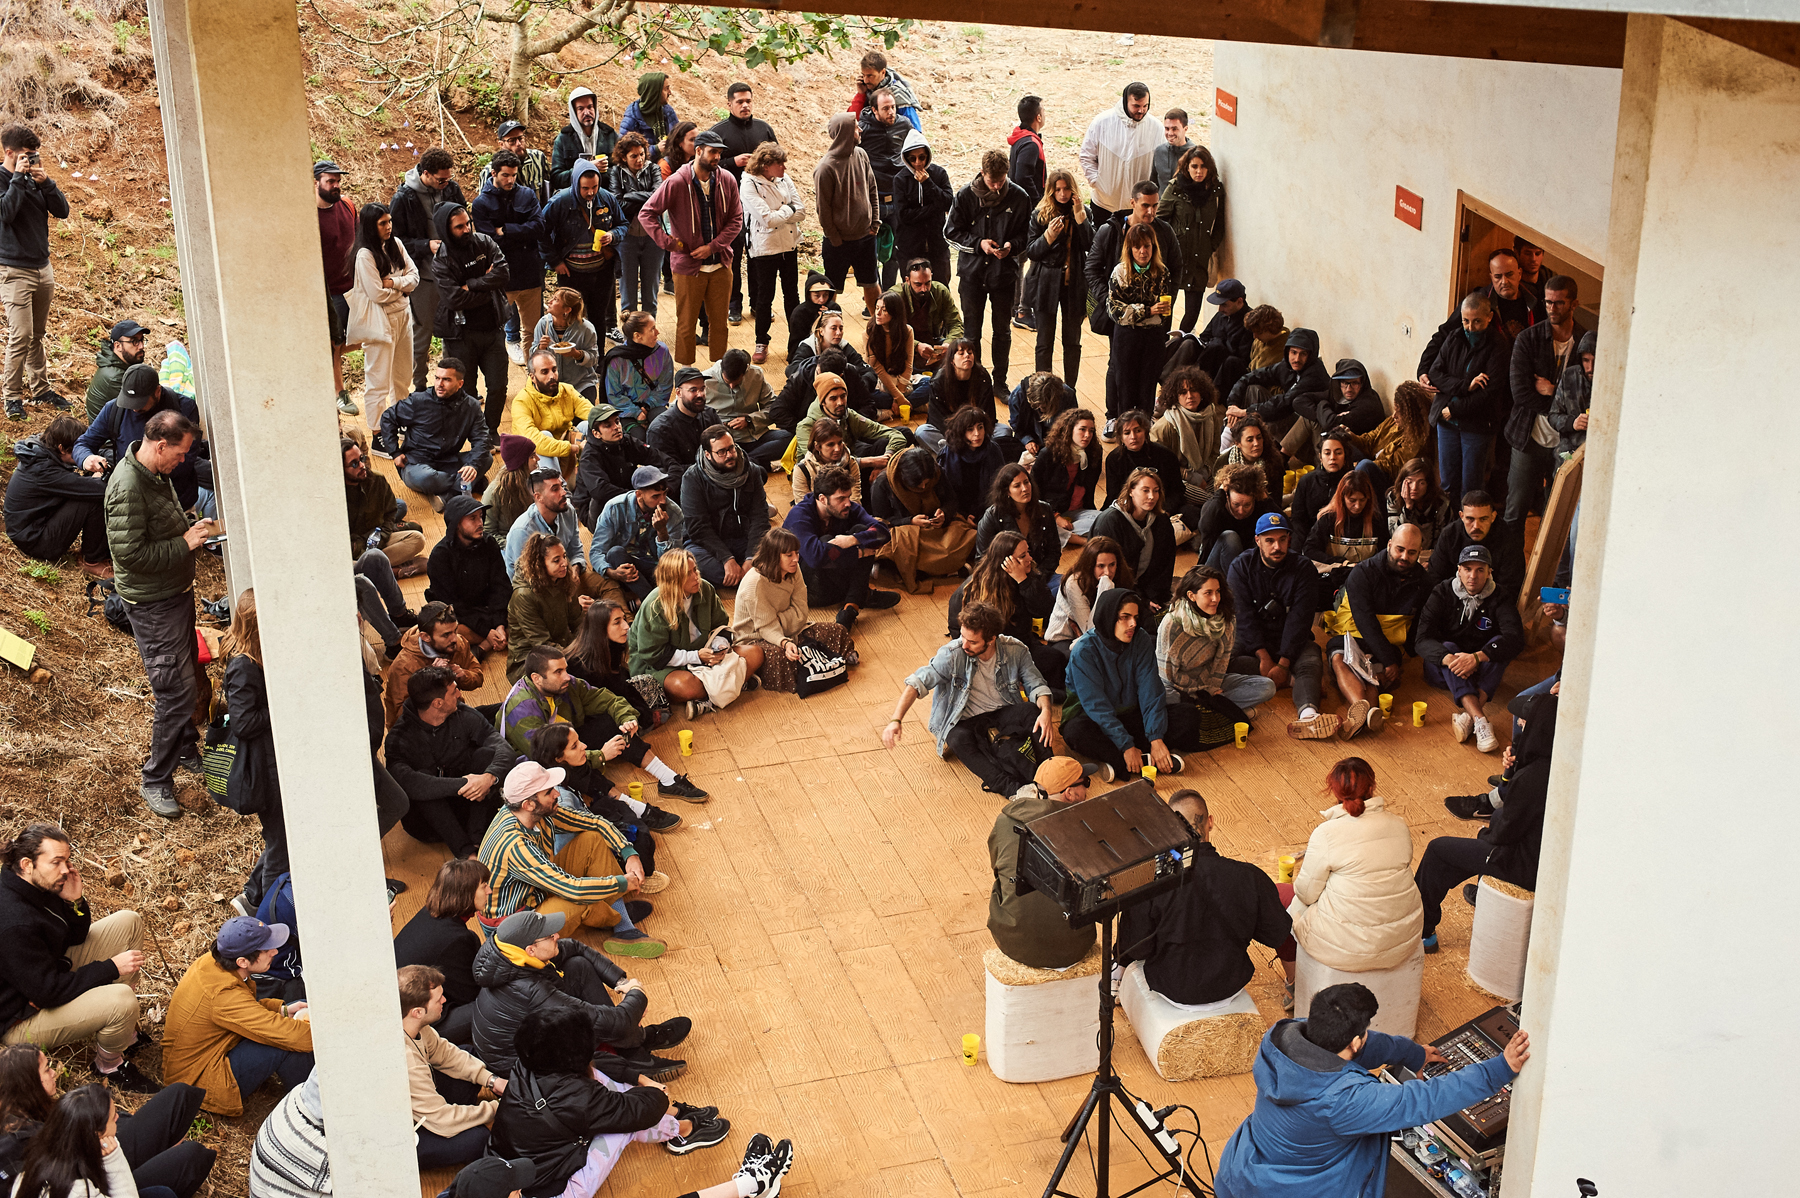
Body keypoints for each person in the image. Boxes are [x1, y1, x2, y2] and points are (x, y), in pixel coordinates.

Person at [1213, 982, 1528, 1198]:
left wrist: (1411, 1054)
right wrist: (1500, 1068)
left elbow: (1360, 1045)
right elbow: (1424, 1099)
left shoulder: (1283, 1036)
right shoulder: (1344, 1100)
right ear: (1354, 1041)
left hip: (1241, 1173)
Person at [104, 411, 213, 817]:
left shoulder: (153, 473)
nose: (183, 461)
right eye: (180, 453)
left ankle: (185, 747)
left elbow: (157, 527)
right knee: (175, 691)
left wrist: (192, 528)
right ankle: (156, 779)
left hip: (173, 594)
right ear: (161, 445)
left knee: (186, 675)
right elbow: (130, 555)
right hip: (153, 605)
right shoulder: (127, 487)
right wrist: (184, 544)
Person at [489, 1006, 723, 1195]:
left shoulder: (526, 1064)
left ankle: (673, 1115)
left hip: (512, 1165)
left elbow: (595, 1062)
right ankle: (681, 1131)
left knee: (603, 1084)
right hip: (550, 1191)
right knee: (624, 1126)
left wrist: (639, 1078)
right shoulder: (580, 1099)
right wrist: (656, 1092)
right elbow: (640, 1112)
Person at [0, 825, 152, 1090]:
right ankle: (109, 1065)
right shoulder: (14, 922)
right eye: (56, 862)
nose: (65, 870)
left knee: (128, 922)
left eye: (67, 860)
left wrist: (74, 903)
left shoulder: (36, 885)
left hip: (44, 978)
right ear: (26, 864)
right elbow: (48, 992)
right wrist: (110, 968)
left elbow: (75, 937)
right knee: (122, 999)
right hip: (19, 1017)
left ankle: (120, 1029)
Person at [1117, 788, 1289, 1006]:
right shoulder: (1250, 876)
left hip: (1172, 988)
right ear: (1211, 822)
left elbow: (1136, 948)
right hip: (1229, 986)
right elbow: (1277, 934)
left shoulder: (1153, 883)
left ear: (1170, 829)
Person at [471, 909, 686, 1083]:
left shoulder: (511, 957)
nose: (557, 936)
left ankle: (632, 1044)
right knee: (606, 1027)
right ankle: (634, 1053)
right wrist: (636, 994)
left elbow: (575, 947)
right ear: (531, 950)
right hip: (522, 1065)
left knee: (578, 966)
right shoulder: (530, 989)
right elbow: (613, 1021)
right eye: (549, 935)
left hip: (530, 1037)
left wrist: (621, 983)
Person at [1416, 693, 1557, 950]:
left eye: (1525, 721)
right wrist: (1515, 768)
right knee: (1489, 828)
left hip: (1524, 864)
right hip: (1542, 856)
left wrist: (1486, 836)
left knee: (1438, 851)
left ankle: (1422, 934)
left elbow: (1506, 831)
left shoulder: (1532, 778)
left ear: (1539, 728)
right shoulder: (1555, 765)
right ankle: (1482, 889)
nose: (1519, 724)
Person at [500, 645, 700, 823]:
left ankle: (667, 778)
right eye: (558, 672)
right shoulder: (521, 710)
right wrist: (601, 756)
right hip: (536, 764)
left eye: (565, 669)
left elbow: (609, 700)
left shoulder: (566, 685)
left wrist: (627, 719)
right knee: (569, 765)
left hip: (564, 743)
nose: (567, 676)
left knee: (611, 723)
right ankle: (635, 808)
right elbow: (547, 757)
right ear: (536, 678)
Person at [882, 600, 1054, 796]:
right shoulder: (952, 654)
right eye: (963, 637)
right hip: (965, 719)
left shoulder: (1015, 650)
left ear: (991, 639)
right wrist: (896, 720)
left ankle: (1051, 772)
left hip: (1002, 711)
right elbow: (917, 682)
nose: (964, 644)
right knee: (957, 738)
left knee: (1032, 711)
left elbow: (1036, 684)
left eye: (972, 642)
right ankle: (1013, 790)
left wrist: (1046, 711)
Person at [1283, 756, 1423, 992]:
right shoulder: (1399, 825)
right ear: (1372, 787)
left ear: (1333, 791)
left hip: (1344, 949)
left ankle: (1295, 985)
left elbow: (1306, 894)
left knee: (1280, 897)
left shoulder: (1326, 834)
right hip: (1402, 941)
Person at [0, 1044, 212, 1197]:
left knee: (180, 1095)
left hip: (98, 1158)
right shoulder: (25, 1148)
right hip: (102, 1175)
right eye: (47, 1069)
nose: (55, 1072)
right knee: (190, 1159)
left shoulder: (29, 1115)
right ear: (29, 1083)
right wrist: (112, 1155)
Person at [476, 761, 645, 943]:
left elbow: (594, 823)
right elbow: (573, 890)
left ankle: (614, 911)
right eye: (549, 791)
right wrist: (621, 883)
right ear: (528, 804)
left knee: (592, 840)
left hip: (535, 892)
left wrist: (629, 853)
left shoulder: (529, 811)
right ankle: (620, 923)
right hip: (514, 928)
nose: (557, 793)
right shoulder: (515, 845)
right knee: (578, 901)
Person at [163, 917, 313, 1117]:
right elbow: (292, 1036)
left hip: (213, 1050)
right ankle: (312, 1107)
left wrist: (282, 1010)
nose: (275, 952)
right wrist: (335, 1032)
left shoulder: (215, 962)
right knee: (289, 1041)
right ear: (242, 961)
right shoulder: (223, 993)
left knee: (298, 1012)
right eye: (267, 949)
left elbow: (243, 1009)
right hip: (197, 1082)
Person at [1065, 586, 1195, 779]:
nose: (1133, 623)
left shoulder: (1140, 639)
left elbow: (1151, 691)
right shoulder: (1084, 651)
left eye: (1135, 617)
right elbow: (1096, 706)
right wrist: (1126, 744)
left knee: (1188, 715)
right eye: (1124, 617)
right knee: (1076, 732)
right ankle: (1139, 759)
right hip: (1094, 719)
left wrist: (1156, 738)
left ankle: (1124, 762)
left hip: (1132, 714)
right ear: (1109, 617)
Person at [640, 129, 743, 366]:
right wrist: (668, 242)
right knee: (686, 324)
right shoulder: (677, 181)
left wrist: (713, 247)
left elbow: (736, 219)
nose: (717, 157)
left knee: (720, 324)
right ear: (698, 151)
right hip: (687, 267)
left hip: (720, 264)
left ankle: (720, 372)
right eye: (712, 152)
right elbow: (647, 213)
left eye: (719, 153)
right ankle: (686, 372)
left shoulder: (727, 179)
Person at [1228, 512, 1334, 739]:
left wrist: (1284, 663)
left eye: (1282, 539)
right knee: (1225, 660)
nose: (1277, 546)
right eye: (1270, 541)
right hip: (1252, 642)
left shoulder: (1304, 568)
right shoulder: (1240, 566)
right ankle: (1291, 681)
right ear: (1257, 541)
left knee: (1311, 659)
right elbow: (1243, 617)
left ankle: (1309, 716)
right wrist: (1264, 657)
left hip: (1291, 638)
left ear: (1289, 539)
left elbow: (1300, 619)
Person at [387, 667, 511, 862]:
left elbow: (502, 748)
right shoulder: (399, 738)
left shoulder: (464, 715)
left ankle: (477, 840)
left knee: (486, 755)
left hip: (467, 807)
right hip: (428, 823)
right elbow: (409, 783)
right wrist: (466, 784)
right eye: (454, 691)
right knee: (424, 786)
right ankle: (467, 855)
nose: (459, 694)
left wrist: (488, 778)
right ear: (437, 703)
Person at [1085, 182, 1181, 435]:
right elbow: (1092, 269)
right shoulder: (1110, 230)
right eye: (1145, 205)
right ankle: (1114, 417)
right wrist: (1110, 300)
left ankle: (1142, 424)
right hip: (1121, 322)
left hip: (1154, 326)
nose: (1151, 211)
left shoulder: (1164, 232)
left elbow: (1176, 268)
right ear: (1133, 203)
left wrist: (1166, 302)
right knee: (1118, 370)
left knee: (1148, 375)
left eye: (1155, 205)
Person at [987, 758, 1099, 968]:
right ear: (1069, 793)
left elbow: (997, 866)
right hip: (1073, 946)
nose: (1087, 789)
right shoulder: (1085, 830)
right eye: (1086, 783)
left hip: (1013, 941)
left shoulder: (1005, 821)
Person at [627, 549, 766, 717]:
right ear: (673, 579)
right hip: (665, 665)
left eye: (695, 570)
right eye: (688, 574)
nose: (696, 577)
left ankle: (708, 699)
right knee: (684, 686)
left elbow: (720, 624)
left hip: (705, 655)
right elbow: (655, 656)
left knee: (755, 653)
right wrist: (697, 657)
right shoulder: (655, 605)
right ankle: (731, 685)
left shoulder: (705, 588)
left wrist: (719, 647)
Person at [1322, 523, 1428, 739]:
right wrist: (1389, 659)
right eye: (1399, 549)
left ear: (1419, 552)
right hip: (1354, 634)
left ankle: (1359, 718)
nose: (1404, 557)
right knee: (1339, 659)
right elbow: (1365, 621)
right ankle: (1366, 711)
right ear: (1389, 545)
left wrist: (1401, 658)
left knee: (1376, 676)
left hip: (1390, 642)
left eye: (1411, 552)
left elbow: (1419, 622)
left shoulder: (1424, 582)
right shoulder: (1363, 572)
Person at [1417, 544, 1524, 753]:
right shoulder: (1441, 592)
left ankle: (1470, 717)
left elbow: (1515, 638)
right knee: (1448, 647)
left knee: (1499, 646)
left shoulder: (1501, 595)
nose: (1473, 576)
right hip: (1443, 670)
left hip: (1479, 668)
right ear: (1458, 570)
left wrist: (1478, 657)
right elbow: (1421, 639)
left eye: (1480, 570)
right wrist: (1450, 659)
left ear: (1489, 572)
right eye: (1467, 569)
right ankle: (1480, 718)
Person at [395, 965, 503, 1168]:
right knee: (478, 1138)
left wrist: (492, 1080)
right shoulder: (406, 1060)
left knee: (468, 1056)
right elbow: (442, 1121)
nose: (444, 1000)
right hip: (399, 1133)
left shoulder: (413, 1025)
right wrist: (498, 1108)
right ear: (417, 1012)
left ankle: (461, 1112)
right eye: (438, 999)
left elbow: (444, 1053)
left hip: (419, 1102)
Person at [728, 528, 859, 694]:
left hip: (791, 629)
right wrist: (785, 642)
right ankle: (811, 666)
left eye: (796, 553)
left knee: (836, 629)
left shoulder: (794, 570)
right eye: (789, 555)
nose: (796, 559)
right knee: (779, 657)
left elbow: (802, 612)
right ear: (774, 556)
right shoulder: (755, 583)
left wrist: (780, 620)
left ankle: (826, 661)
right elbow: (766, 627)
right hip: (757, 637)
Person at [945, 150, 1032, 396]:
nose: (997, 187)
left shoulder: (1020, 197)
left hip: (1003, 275)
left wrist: (1012, 246)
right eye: (992, 181)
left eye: (1002, 181)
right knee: (971, 333)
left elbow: (1028, 235)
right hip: (972, 275)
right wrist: (978, 244)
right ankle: (975, 382)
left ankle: (999, 383)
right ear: (982, 173)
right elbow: (950, 233)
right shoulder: (964, 196)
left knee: (1002, 332)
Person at [1, 125, 74, 419]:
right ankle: (12, 398)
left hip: (43, 268)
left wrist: (47, 184)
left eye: (34, 155)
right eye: (26, 155)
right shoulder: (5, 179)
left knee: (37, 335)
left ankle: (41, 390)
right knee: (21, 335)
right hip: (14, 271)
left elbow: (62, 211)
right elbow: (6, 213)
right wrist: (18, 178)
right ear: (9, 153)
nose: (31, 160)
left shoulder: (34, 180)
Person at [1503, 275, 1581, 533]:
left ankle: (1549, 560)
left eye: (1558, 303)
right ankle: (1511, 560)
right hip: (1529, 435)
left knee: (1559, 510)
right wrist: (1563, 407)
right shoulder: (1529, 338)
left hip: (1567, 441)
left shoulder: (1585, 342)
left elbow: (1589, 398)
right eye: (1548, 302)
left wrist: (1552, 390)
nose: (1551, 308)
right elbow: (1520, 393)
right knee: (1515, 509)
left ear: (1574, 304)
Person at [76, 364, 209, 512]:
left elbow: (186, 461)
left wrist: (139, 472)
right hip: (133, 503)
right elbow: (82, 443)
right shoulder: (114, 410)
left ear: (157, 391)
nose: (134, 408)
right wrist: (86, 458)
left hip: (177, 503)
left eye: (140, 402)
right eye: (129, 401)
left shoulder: (184, 408)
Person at [1159, 565, 1278, 726]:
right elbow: (1168, 675)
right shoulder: (1172, 624)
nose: (1215, 598)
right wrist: (1200, 691)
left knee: (1267, 686)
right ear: (1191, 596)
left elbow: (1222, 661)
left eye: (1218, 591)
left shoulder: (1226, 619)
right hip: (1177, 686)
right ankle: (1223, 710)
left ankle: (1211, 710)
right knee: (1164, 696)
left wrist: (1211, 688)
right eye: (1208, 593)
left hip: (1208, 681)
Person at [7, 1084, 175, 1198]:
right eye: (113, 1118)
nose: (118, 1118)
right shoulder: (77, 1191)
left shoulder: (39, 1158)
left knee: (161, 1193)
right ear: (95, 1134)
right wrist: (114, 1158)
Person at [393, 858, 492, 1044]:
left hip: (402, 1004)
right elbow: (470, 995)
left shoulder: (429, 912)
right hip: (418, 1024)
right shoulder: (456, 939)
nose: (489, 891)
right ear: (466, 893)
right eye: (484, 886)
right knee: (497, 1005)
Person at [391, 148, 466, 392]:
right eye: (441, 180)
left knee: (454, 332)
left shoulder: (451, 188)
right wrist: (427, 246)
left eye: (448, 179)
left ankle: (450, 386)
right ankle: (420, 388)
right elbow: (396, 242)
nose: (446, 184)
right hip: (424, 277)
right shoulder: (404, 198)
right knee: (422, 334)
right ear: (425, 174)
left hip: (453, 275)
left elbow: (464, 220)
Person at [432, 202, 511, 432]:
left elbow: (503, 273)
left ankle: (491, 430)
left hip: (493, 329)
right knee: (465, 391)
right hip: (461, 335)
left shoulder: (484, 241)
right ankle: (472, 433)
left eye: (468, 223)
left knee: (498, 386)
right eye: (459, 227)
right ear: (447, 230)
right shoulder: (441, 260)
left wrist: (471, 285)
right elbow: (454, 299)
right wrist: (488, 287)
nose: (467, 229)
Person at [1427, 297, 1512, 513]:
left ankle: (1468, 524)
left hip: (1476, 424)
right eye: (1466, 321)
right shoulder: (1455, 336)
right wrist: (1466, 385)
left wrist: (1454, 409)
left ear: (1489, 317)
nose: (1470, 327)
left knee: (1471, 485)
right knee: (1447, 482)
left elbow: (1489, 394)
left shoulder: (1499, 346)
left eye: (1477, 321)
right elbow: (1436, 373)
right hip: (1447, 423)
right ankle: (1449, 523)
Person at [784, 465, 900, 621]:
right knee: (826, 542)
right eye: (840, 499)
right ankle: (859, 596)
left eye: (848, 497)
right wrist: (858, 552)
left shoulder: (847, 509)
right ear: (822, 499)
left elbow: (883, 532)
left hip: (833, 582)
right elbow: (815, 557)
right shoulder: (799, 515)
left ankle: (851, 606)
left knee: (861, 532)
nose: (847, 503)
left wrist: (854, 539)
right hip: (807, 589)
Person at [542, 161, 627, 364]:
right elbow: (541, 233)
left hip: (602, 271)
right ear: (575, 184)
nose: (590, 193)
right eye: (585, 188)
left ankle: (597, 360)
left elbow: (623, 224)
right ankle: (570, 361)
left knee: (599, 317)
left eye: (594, 187)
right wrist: (555, 261)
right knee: (571, 318)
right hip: (571, 273)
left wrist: (613, 235)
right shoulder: (559, 202)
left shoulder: (606, 198)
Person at [4, 416, 111, 578]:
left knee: (90, 488)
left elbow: (95, 450)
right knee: (92, 499)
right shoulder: (43, 470)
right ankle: (92, 561)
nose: (81, 454)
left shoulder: (43, 449)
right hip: (35, 541)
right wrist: (97, 479)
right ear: (62, 448)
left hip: (36, 524)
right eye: (78, 450)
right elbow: (100, 490)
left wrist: (101, 457)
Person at [711, 83, 780, 328]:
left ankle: (759, 303)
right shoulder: (719, 132)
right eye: (739, 101)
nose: (745, 105)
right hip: (730, 204)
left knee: (758, 254)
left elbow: (779, 161)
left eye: (748, 100)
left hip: (761, 205)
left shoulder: (764, 129)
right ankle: (733, 304)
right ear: (729, 104)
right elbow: (708, 165)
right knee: (733, 254)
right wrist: (733, 162)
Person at [471, 149, 547, 370]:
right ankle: (497, 377)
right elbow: (490, 242)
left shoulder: (527, 194)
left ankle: (535, 375)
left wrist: (505, 230)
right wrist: (522, 232)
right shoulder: (481, 204)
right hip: (502, 277)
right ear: (493, 173)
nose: (510, 180)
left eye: (514, 175)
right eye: (505, 175)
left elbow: (539, 227)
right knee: (494, 331)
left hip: (530, 272)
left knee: (533, 331)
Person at [381, 358, 491, 507]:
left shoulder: (471, 406)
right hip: (417, 464)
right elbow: (388, 417)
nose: (439, 384)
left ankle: (448, 495)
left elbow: (482, 438)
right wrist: (394, 452)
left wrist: (473, 465)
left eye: (446, 380)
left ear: (460, 384)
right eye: (437, 378)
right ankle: (468, 484)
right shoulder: (418, 401)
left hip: (450, 461)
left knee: (486, 458)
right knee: (427, 478)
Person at [348, 201, 419, 432]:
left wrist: (394, 283)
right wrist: (402, 289)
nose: (388, 227)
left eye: (389, 221)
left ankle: (400, 424)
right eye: (382, 223)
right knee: (378, 381)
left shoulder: (396, 244)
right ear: (371, 226)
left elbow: (415, 277)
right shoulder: (365, 256)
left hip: (404, 316)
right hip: (381, 321)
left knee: (402, 377)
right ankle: (378, 430)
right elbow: (377, 294)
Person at [865, 448, 974, 594]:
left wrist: (944, 513)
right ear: (903, 477)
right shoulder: (883, 482)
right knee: (895, 546)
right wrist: (910, 521)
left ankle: (925, 570)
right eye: (917, 485)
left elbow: (952, 500)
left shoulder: (937, 473)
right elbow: (882, 520)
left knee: (968, 534)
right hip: (906, 532)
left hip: (936, 529)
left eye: (926, 483)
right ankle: (948, 568)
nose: (923, 487)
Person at [1019, 168, 1092, 384]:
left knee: (1072, 341)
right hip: (1046, 284)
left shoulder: (1083, 211)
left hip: (1074, 284)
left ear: (1073, 189)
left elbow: (1092, 245)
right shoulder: (1040, 214)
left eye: (1066, 189)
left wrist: (1081, 219)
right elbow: (1032, 251)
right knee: (1044, 341)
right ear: (1051, 191)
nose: (1062, 194)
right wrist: (1048, 237)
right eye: (1058, 189)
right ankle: (1043, 389)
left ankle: (1070, 388)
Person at [680, 425, 770, 590]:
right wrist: (727, 558)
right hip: (707, 544)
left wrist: (751, 557)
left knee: (781, 552)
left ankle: (745, 576)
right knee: (691, 562)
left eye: (731, 448)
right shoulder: (692, 478)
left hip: (743, 538)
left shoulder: (752, 471)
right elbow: (698, 527)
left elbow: (760, 518)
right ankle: (752, 578)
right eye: (721, 452)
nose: (729, 455)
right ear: (708, 454)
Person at [812, 113, 882, 324]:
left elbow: (872, 188)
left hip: (866, 237)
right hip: (839, 243)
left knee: (872, 283)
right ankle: (827, 329)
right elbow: (823, 209)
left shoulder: (861, 154)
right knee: (831, 290)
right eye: (856, 127)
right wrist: (835, 238)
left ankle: (879, 327)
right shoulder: (825, 168)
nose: (860, 130)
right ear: (844, 133)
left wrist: (875, 223)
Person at [739, 143, 804, 364]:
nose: (784, 167)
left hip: (788, 244)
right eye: (780, 163)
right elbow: (767, 219)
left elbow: (801, 211)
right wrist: (788, 209)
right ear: (766, 165)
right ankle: (761, 342)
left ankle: (797, 342)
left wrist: (781, 213)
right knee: (764, 297)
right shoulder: (748, 184)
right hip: (764, 248)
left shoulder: (784, 179)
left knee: (792, 295)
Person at [425, 494, 512, 656]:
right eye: (473, 518)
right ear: (457, 523)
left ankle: (486, 643)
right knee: (446, 631)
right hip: (461, 614)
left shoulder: (489, 543)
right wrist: (486, 631)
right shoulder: (440, 556)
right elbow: (451, 603)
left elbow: (500, 585)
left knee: (521, 615)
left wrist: (499, 624)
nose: (480, 523)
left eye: (480, 516)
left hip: (487, 608)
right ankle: (488, 644)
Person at [569, 402, 676, 533]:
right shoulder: (589, 457)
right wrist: (638, 496)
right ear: (596, 433)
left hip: (630, 496)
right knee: (598, 498)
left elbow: (664, 460)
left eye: (617, 421)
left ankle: (657, 525)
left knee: (659, 477)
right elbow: (601, 492)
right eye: (608, 425)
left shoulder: (626, 441)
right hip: (596, 511)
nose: (616, 427)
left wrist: (669, 487)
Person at [564, 600, 672, 729]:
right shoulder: (579, 664)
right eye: (617, 622)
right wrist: (640, 713)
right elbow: (599, 701)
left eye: (624, 619)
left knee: (648, 682)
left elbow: (620, 685)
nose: (626, 626)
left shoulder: (614, 646)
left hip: (614, 699)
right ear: (600, 628)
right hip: (595, 714)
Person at [1106, 224, 1176, 418]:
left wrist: (1158, 312)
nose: (1143, 251)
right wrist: (1148, 310)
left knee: (1148, 389)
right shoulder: (1120, 272)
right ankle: (1124, 430)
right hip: (1126, 337)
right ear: (1130, 249)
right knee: (1125, 390)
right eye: (1137, 247)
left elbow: (1163, 309)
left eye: (1147, 246)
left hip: (1153, 336)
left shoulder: (1162, 272)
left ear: (1154, 247)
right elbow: (1114, 310)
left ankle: (1145, 430)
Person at [507, 533, 597, 682]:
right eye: (556, 560)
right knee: (584, 674)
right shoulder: (524, 596)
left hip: (563, 646)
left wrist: (588, 645)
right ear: (540, 565)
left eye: (564, 556)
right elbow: (541, 643)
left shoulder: (564, 580)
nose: (564, 563)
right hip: (531, 659)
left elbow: (578, 621)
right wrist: (578, 654)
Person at [590, 465, 685, 604]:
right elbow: (596, 552)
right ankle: (653, 602)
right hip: (621, 565)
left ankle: (641, 602)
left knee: (680, 572)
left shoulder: (673, 513)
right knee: (615, 553)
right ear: (639, 494)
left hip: (651, 565)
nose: (663, 501)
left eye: (665, 494)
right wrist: (612, 573)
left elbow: (672, 562)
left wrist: (662, 533)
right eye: (656, 496)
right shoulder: (614, 508)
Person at [792, 367, 906, 483]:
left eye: (843, 396)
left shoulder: (848, 415)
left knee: (902, 434)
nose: (840, 402)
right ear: (823, 402)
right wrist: (870, 462)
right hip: (824, 481)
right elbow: (823, 466)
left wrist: (885, 460)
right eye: (833, 398)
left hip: (852, 466)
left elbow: (895, 435)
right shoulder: (806, 426)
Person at [1156, 145, 1223, 334]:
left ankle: (1180, 343)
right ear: (1187, 167)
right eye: (1194, 166)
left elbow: (1220, 223)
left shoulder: (1216, 190)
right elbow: (1160, 221)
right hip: (1174, 258)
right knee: (1165, 310)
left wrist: (1210, 246)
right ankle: (1162, 345)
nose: (1199, 171)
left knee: (1192, 313)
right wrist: (1166, 249)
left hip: (1199, 259)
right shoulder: (1175, 187)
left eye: (1203, 166)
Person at [382, 600, 483, 725]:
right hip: (421, 731)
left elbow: (478, 676)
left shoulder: (457, 644)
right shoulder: (404, 666)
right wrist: (430, 680)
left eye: (455, 630)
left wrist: (464, 676)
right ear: (425, 637)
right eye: (446, 635)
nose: (454, 638)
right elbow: (403, 715)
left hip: (453, 713)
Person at [1091, 467, 1177, 612]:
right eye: (1145, 490)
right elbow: (1107, 572)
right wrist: (1140, 600)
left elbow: (1165, 565)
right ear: (1131, 491)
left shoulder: (1161, 520)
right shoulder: (1110, 522)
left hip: (1148, 591)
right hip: (1114, 592)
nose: (1152, 496)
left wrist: (1154, 597)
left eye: (1156, 491)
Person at [1224, 328, 1330, 442]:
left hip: (1308, 428)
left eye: (1303, 354)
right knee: (1253, 389)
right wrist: (1233, 405)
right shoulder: (1286, 366)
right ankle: (1236, 437)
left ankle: (1245, 439)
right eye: (1294, 352)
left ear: (1311, 355)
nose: (1297, 359)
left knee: (1270, 413)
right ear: (1287, 351)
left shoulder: (1315, 374)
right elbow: (1250, 377)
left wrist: (1245, 412)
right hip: (1287, 416)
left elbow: (1285, 403)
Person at [1151, 367, 1223, 533]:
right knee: (1217, 500)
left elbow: (1215, 452)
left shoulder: (1211, 415)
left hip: (1205, 473)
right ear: (1175, 396)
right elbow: (1161, 468)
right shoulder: (1165, 427)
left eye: (1194, 390)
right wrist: (1192, 477)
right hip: (1176, 481)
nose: (1190, 396)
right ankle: (1219, 506)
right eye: (1183, 392)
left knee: (1226, 485)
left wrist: (1206, 472)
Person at [1078, 83, 1160, 224]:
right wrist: (1097, 182)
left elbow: (1161, 164)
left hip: (1137, 209)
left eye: (1145, 106)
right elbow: (1086, 155)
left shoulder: (1156, 128)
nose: (1141, 110)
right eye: (1136, 106)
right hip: (1104, 204)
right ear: (1125, 102)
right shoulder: (1102, 122)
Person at [1338, 378, 1432, 497]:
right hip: (1372, 460)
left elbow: (1392, 466)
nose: (1394, 416)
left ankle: (1348, 498)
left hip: (1388, 481)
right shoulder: (1392, 422)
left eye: (1400, 412)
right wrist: (1350, 435)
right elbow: (1369, 440)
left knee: (1364, 466)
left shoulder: (1417, 439)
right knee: (1340, 442)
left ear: (1411, 415)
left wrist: (1358, 465)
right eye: (1395, 410)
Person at [607, 135, 665, 327]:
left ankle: (650, 331)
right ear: (623, 157)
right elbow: (617, 203)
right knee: (628, 292)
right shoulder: (616, 172)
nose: (639, 159)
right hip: (627, 238)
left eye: (641, 154)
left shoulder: (653, 168)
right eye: (634, 156)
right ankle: (630, 334)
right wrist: (645, 199)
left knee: (651, 291)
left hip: (652, 237)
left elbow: (659, 197)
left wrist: (630, 196)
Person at [1428, 489, 1525, 602]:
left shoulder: (1509, 540)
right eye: (1470, 519)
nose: (1476, 526)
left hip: (1494, 603)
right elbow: (1435, 577)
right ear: (1461, 516)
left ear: (1493, 517)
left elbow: (1511, 586)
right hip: (1452, 601)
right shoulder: (1449, 535)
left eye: (1483, 519)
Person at [1287, 358, 1386, 469]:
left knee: (1319, 424)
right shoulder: (1338, 395)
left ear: (1362, 384)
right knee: (1311, 419)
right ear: (1339, 383)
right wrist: (1323, 416)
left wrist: (1323, 406)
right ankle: (1283, 457)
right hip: (1339, 443)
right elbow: (1298, 401)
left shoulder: (1368, 403)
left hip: (1360, 453)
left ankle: (1322, 469)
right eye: (1345, 383)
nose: (1349, 388)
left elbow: (1330, 423)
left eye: (1355, 383)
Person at [1301, 468, 1384, 600]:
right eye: (1352, 500)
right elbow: (1309, 549)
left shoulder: (1376, 521)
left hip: (1366, 580)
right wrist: (1342, 563)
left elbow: (1384, 553)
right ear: (1342, 497)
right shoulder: (1328, 519)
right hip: (1333, 578)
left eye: (1362, 500)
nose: (1358, 506)